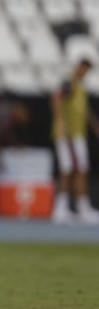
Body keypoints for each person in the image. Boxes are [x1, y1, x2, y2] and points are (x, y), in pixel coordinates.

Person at [51, 58, 99, 225]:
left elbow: (84, 110)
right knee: (69, 168)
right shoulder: (68, 83)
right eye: (83, 68)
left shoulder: (80, 88)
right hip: (68, 134)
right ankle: (63, 207)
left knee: (80, 169)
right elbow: (56, 99)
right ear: (78, 67)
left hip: (78, 134)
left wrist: (94, 125)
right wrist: (62, 123)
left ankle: (79, 206)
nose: (84, 72)